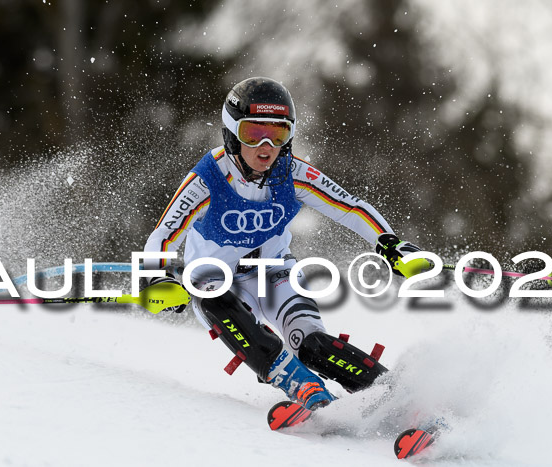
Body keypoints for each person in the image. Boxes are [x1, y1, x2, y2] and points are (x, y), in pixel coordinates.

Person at [143, 77, 425, 410]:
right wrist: (156, 278)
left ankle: (395, 397)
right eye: (253, 133)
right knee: (212, 297)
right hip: (216, 280)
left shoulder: (291, 174)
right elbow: (163, 234)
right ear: (232, 133)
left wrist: (389, 243)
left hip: (274, 273)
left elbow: (349, 207)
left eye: (278, 134)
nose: (266, 147)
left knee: (310, 342)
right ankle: (300, 384)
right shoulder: (207, 180)